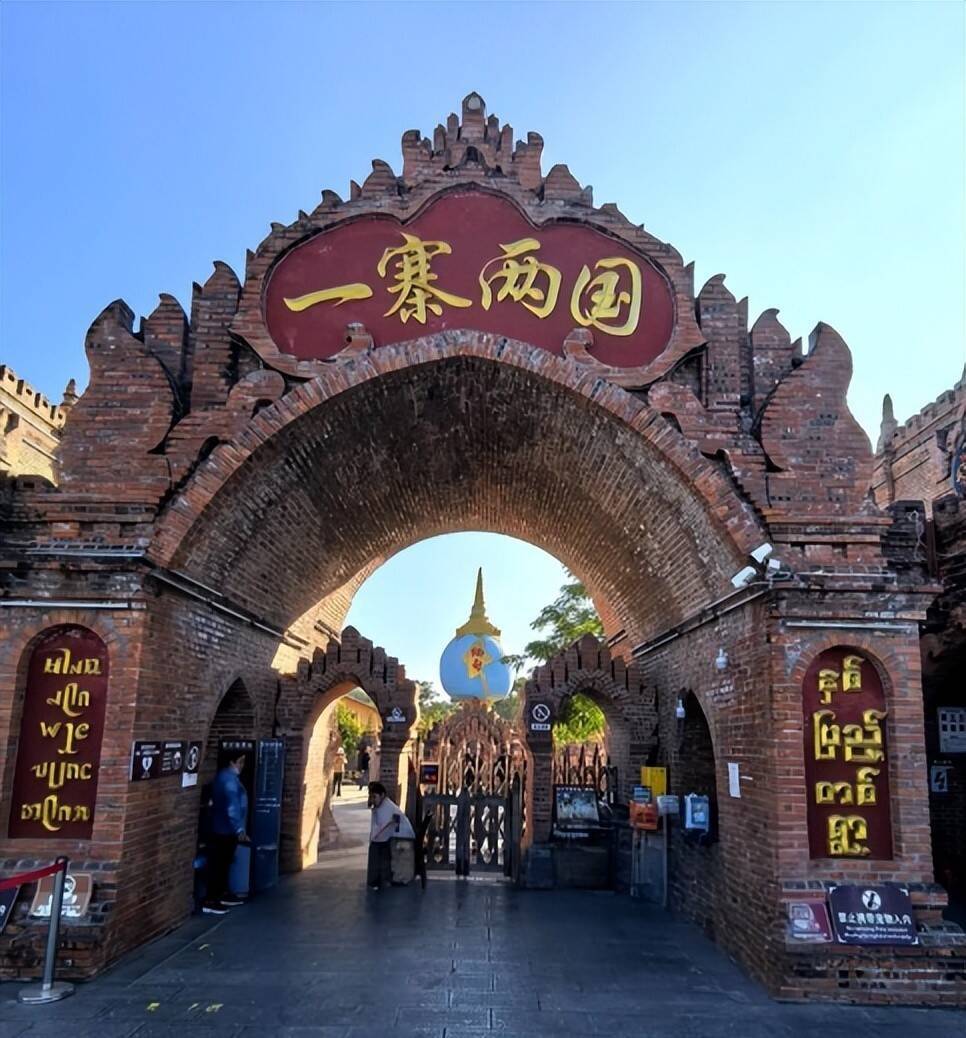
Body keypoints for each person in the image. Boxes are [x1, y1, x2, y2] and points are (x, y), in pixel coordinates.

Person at [203, 752, 250, 914]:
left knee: (224, 863)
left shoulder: (226, 777)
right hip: (224, 828)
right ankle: (211, 900)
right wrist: (239, 828)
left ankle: (221, 893)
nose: (242, 765)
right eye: (240, 762)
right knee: (219, 864)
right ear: (231, 762)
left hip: (223, 827)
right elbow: (232, 806)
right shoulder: (228, 779)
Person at [366, 781, 415, 889]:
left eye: (374, 797)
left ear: (382, 795)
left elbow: (380, 830)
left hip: (402, 838)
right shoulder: (382, 806)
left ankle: (376, 880)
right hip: (397, 837)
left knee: (376, 846)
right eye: (371, 797)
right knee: (377, 845)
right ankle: (377, 879)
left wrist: (373, 839)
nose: (372, 800)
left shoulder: (387, 808)